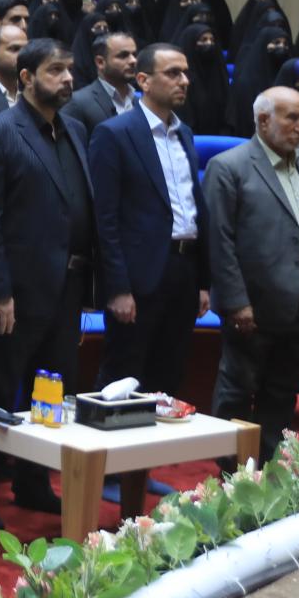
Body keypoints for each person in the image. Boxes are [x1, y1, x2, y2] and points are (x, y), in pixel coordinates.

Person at [0, 37, 94, 520]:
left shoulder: (75, 129)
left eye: (70, 70)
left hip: (67, 287)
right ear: (26, 77)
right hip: (16, 293)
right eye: (56, 70)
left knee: (52, 392)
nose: (67, 79)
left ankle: (32, 481)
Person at [204, 87, 299, 461]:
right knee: (237, 390)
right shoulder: (228, 167)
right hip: (252, 305)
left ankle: (267, 466)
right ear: (263, 121)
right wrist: (235, 302)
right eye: (292, 117)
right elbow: (219, 242)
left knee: (284, 388)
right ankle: (230, 472)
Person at [89, 44, 208, 401]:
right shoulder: (114, 133)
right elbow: (105, 219)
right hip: (139, 276)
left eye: (185, 73)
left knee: (168, 374)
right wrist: (117, 288)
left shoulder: (185, 133)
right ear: (143, 80)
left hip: (184, 268)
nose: (184, 81)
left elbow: (193, 206)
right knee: (122, 376)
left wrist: (203, 281)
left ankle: (154, 439)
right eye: (173, 73)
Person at [66, 31, 137, 140]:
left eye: (134, 55)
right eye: (123, 56)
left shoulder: (141, 100)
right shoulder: (78, 102)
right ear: (100, 62)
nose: (133, 60)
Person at [225, 25, 293, 137]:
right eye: (276, 43)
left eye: (285, 44)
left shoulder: (287, 78)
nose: (282, 47)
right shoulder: (245, 83)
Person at [177, 23, 230, 134]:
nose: (209, 43)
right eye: (203, 40)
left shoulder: (220, 75)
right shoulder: (181, 80)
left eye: (212, 40)